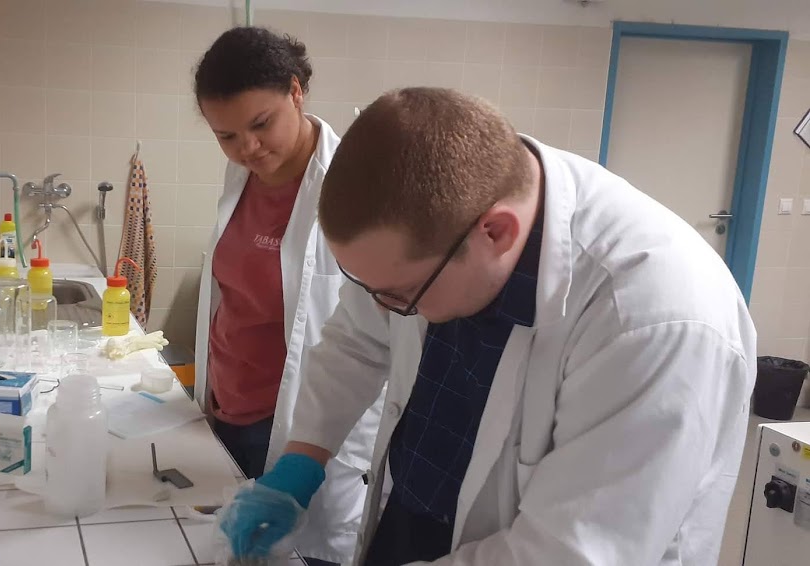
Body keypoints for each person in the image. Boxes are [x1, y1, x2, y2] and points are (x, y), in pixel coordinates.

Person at [217, 87, 757, 565]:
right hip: (412, 515)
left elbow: (569, 552)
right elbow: (357, 338)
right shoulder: (438, 213)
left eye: (401, 294)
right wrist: (302, 462)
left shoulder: (653, 320)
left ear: (496, 233)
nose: (385, 308)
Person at [191, 27, 383, 565]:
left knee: (297, 554)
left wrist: (312, 459)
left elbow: (370, 336)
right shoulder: (242, 175)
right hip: (227, 408)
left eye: (260, 124)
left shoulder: (352, 187)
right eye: (227, 136)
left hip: (296, 425)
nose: (247, 149)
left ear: (296, 91)